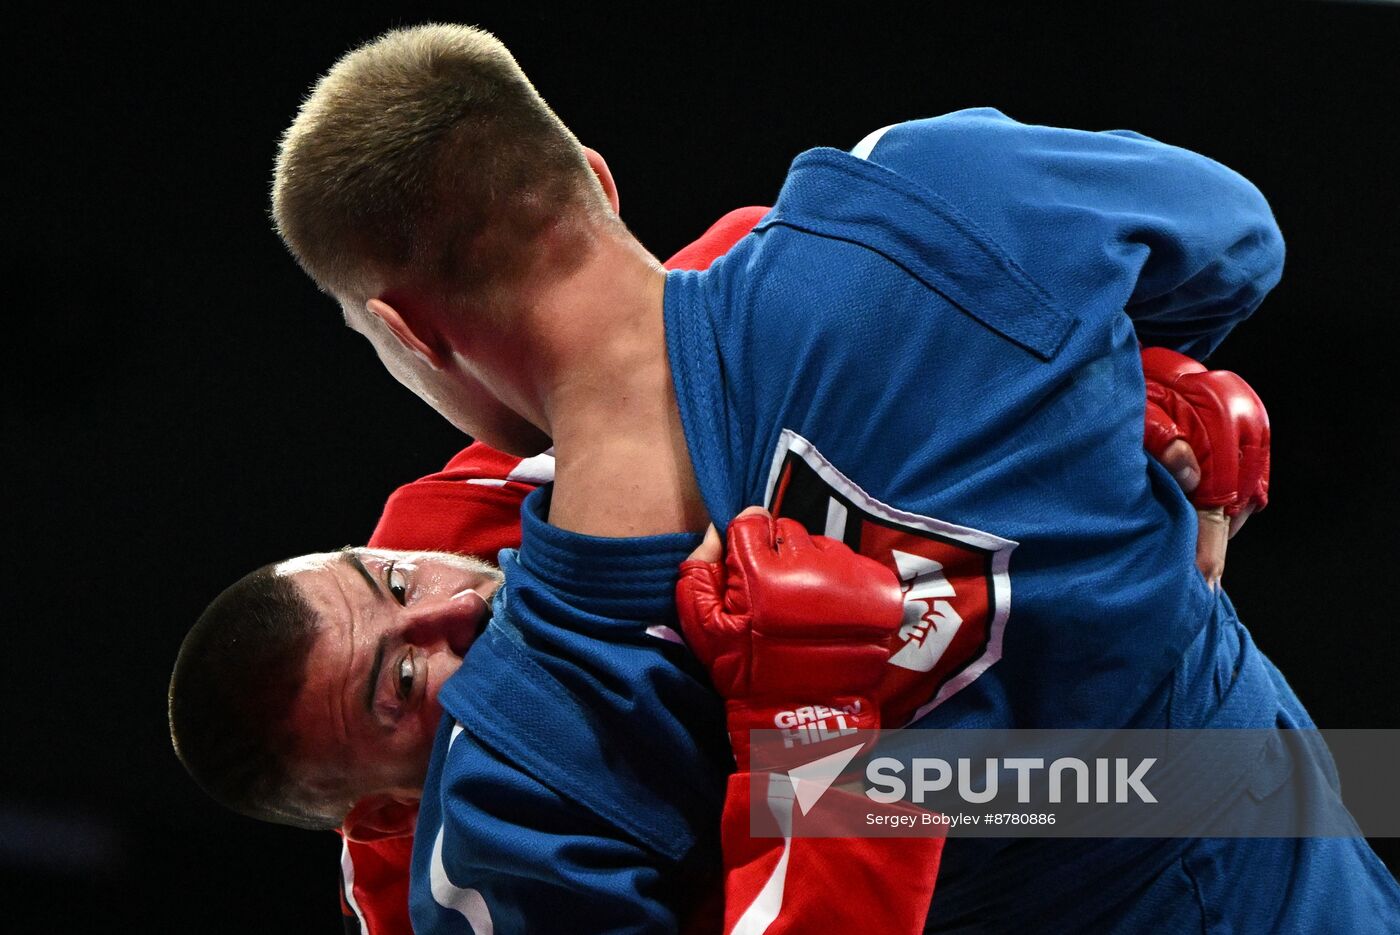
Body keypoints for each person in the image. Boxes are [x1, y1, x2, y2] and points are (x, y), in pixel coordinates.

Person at [266, 24, 1400, 931]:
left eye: (399, 587)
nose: (445, 609)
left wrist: (1145, 376)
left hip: (1287, 838)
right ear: (596, 182)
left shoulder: (493, 684)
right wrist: (818, 744)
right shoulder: (930, 197)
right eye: (396, 680)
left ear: (405, 330)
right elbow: (1238, 232)